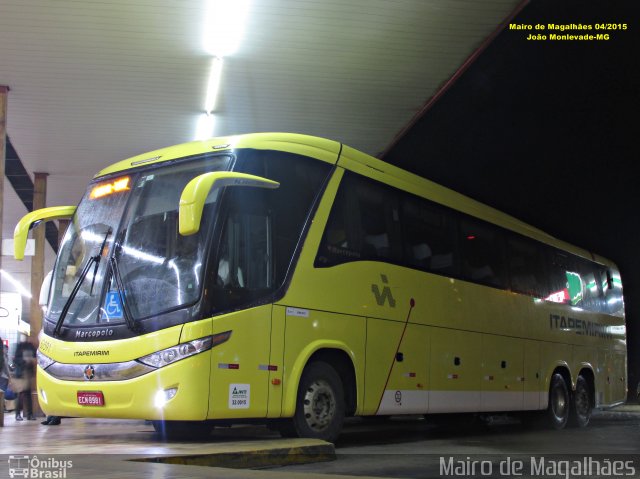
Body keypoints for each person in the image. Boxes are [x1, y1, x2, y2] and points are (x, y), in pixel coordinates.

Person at [13, 337, 36, 421]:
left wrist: (32, 360)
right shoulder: (20, 346)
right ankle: (18, 414)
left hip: (29, 373)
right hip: (21, 374)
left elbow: (35, 355)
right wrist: (24, 361)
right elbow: (15, 359)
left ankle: (30, 414)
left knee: (28, 395)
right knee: (20, 395)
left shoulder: (31, 346)